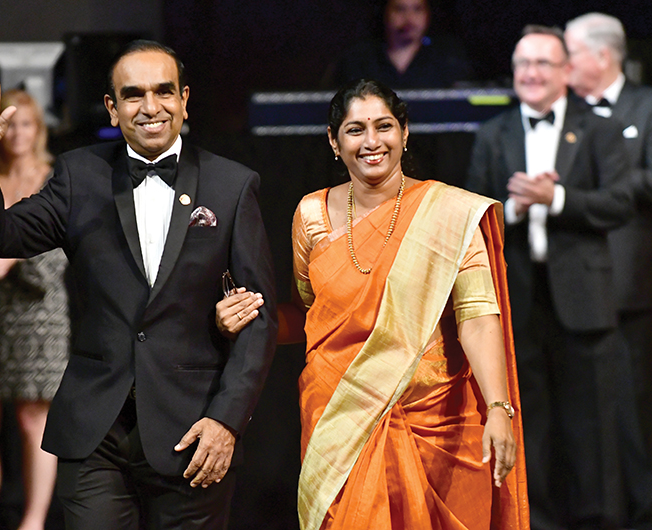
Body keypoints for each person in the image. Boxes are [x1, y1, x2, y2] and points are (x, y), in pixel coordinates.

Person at [0, 40, 278, 530]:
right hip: (95, 429)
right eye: (133, 94)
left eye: (164, 92)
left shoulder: (231, 186)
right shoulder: (79, 174)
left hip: (193, 429)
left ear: (185, 99)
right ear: (112, 106)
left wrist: (227, 420)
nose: (151, 107)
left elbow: (259, 319)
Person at [219, 78, 528, 529]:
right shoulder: (311, 215)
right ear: (333, 141)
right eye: (355, 129)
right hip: (340, 420)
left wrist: (499, 409)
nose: (371, 142)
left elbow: (478, 318)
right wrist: (245, 317)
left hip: (438, 421)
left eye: (383, 126)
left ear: (404, 132)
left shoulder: (448, 214)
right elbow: (311, 316)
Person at [465, 25, 634, 530]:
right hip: (517, 302)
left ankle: (595, 520)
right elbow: (472, 215)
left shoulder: (600, 128)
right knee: (527, 422)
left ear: (566, 71)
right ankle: (533, 521)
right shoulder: (492, 134)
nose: (531, 74)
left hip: (584, 302)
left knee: (590, 426)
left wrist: (556, 200)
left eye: (543, 64)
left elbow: (621, 202)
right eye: (523, 65)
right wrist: (515, 207)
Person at [565, 16, 652, 522]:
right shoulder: (568, 114)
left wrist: (610, 181)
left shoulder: (646, 105)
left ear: (602, 56)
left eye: (570, 54)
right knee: (587, 417)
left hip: (631, 283)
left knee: (633, 411)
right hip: (575, 286)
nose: (563, 65)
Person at [0, 89, 69, 530]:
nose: (17, 132)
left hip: (40, 308)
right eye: (10, 123)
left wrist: (12, 255)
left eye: (26, 124)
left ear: (39, 130)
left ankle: (33, 520)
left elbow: (62, 250)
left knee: (35, 417)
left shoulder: (53, 177)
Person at [324, 0, 471, 89]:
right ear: (385, 12)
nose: (409, 19)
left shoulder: (447, 59)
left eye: (417, 9)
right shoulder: (358, 59)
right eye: (399, 9)